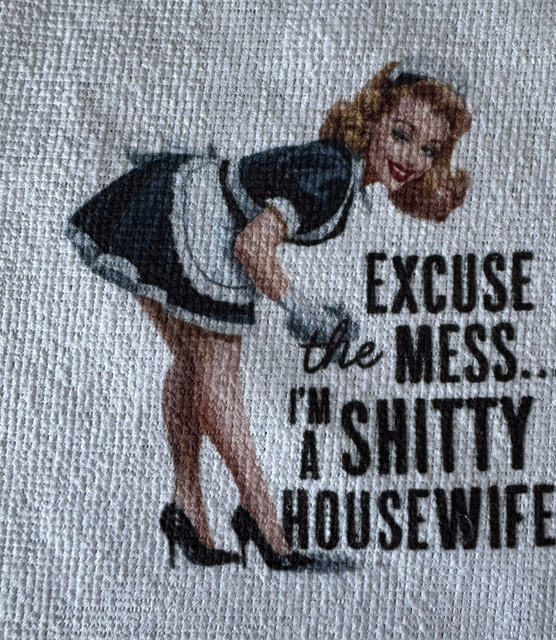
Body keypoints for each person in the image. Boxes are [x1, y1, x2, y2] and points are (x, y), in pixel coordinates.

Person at [64, 60, 472, 570]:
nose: (411, 158)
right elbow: (252, 246)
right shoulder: (331, 174)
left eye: (429, 149)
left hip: (180, 202)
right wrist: (303, 311)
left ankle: (187, 510)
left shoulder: (343, 174)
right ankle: (265, 525)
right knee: (218, 381)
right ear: (371, 120)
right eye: (401, 135)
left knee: (193, 367)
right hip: (198, 226)